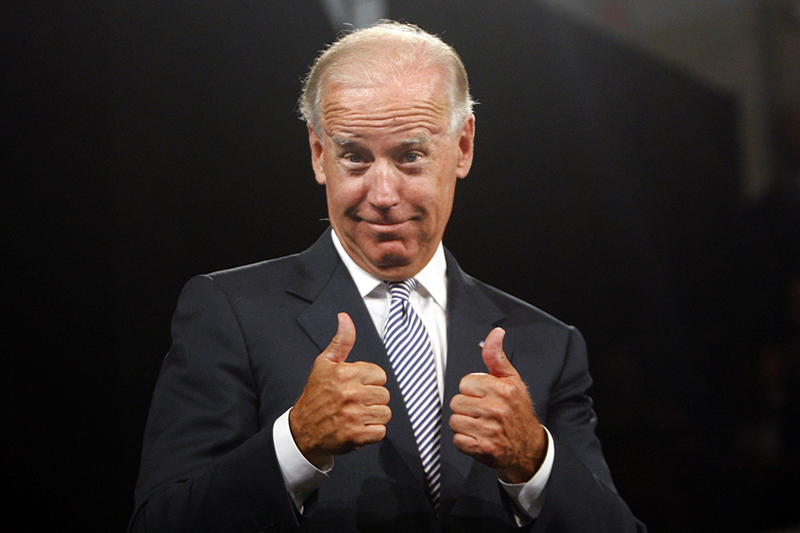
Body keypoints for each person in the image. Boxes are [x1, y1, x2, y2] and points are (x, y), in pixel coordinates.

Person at [129, 21, 645, 532]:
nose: (381, 194)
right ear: (319, 154)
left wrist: (534, 461)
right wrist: (294, 444)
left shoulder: (547, 345)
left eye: (410, 157)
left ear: (463, 146)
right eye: (354, 157)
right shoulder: (230, 313)